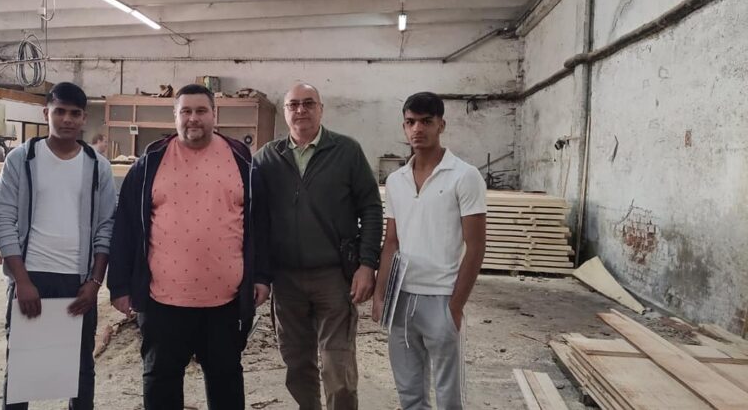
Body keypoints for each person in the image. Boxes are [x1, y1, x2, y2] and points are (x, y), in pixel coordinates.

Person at [108, 83, 271, 410]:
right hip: (162, 302)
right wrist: (121, 286)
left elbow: (261, 225)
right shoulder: (150, 163)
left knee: (226, 379)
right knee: (161, 380)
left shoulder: (241, 161)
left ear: (214, 114)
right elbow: (125, 227)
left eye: (200, 111)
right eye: (185, 111)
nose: (193, 118)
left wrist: (262, 277)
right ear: (175, 116)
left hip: (225, 303)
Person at [253, 83, 383, 410]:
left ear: (321, 109)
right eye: (293, 105)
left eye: (309, 103)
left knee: (338, 365)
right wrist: (259, 274)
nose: (301, 110)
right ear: (285, 112)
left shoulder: (346, 152)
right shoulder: (267, 158)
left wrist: (367, 265)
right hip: (286, 280)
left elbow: (370, 208)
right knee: (296, 363)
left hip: (334, 276)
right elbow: (252, 217)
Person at [0, 82, 117, 410]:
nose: (66, 119)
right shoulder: (21, 159)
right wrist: (21, 281)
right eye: (59, 111)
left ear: (84, 118)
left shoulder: (98, 166)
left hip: (78, 282)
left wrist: (94, 282)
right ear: (45, 112)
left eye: (75, 113)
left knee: (80, 371)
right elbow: (4, 221)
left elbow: (106, 227)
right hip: (31, 278)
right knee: (22, 371)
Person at [372, 92, 487, 410]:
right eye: (410, 122)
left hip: (442, 297)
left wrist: (455, 306)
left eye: (426, 121)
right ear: (404, 126)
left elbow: (476, 246)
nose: (417, 129)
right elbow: (391, 242)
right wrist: (380, 294)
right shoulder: (396, 181)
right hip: (401, 297)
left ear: (441, 125)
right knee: (409, 393)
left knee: (449, 397)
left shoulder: (464, 176)